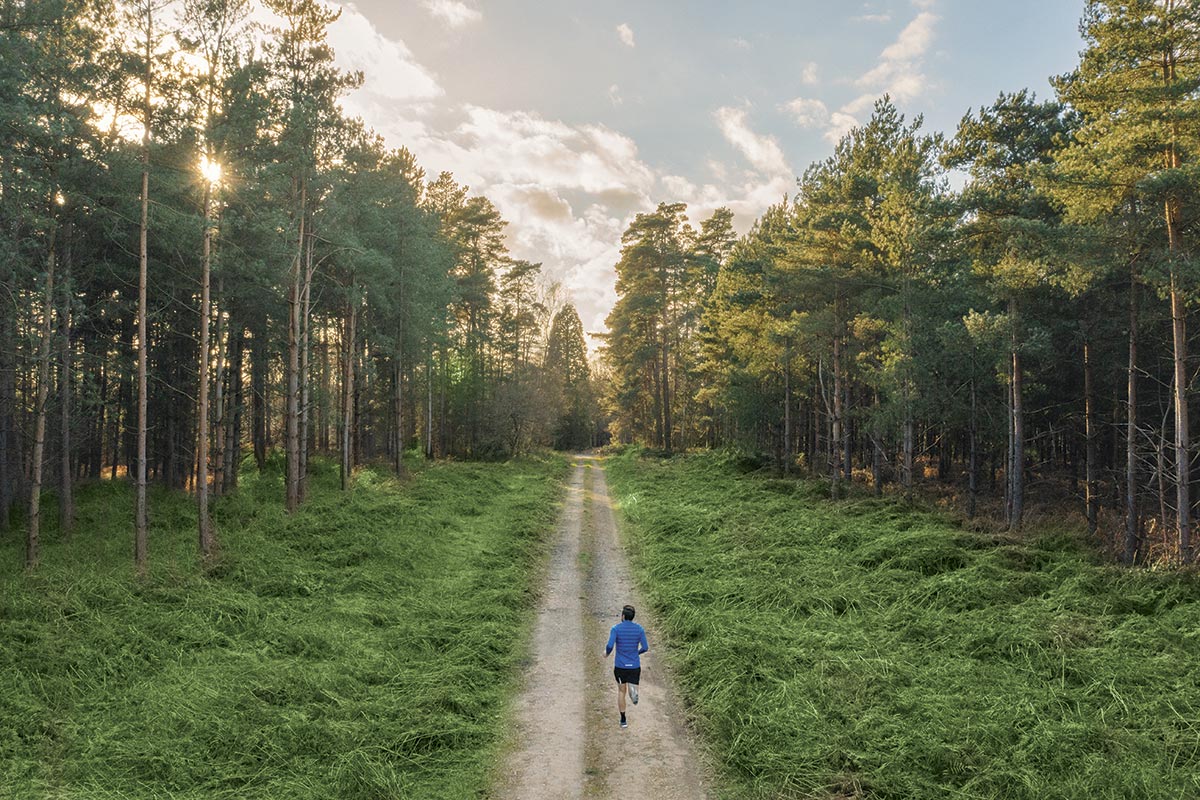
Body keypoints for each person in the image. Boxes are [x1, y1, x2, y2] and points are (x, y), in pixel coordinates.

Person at [604, 604, 649, 729]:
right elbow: (645, 647)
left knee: (621, 691)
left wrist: (606, 653)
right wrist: (636, 653)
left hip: (620, 666)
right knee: (632, 685)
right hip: (634, 666)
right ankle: (633, 690)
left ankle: (623, 720)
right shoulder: (639, 629)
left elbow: (610, 646)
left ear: (623, 616)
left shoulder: (616, 629)